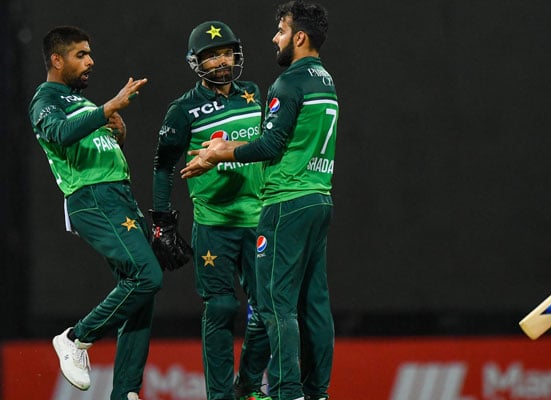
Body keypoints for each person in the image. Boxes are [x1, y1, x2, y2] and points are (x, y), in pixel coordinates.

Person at [181, 2, 337, 399]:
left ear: (299, 37)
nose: (275, 38)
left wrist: (218, 153)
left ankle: (287, 393)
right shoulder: (326, 81)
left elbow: (269, 145)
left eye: (281, 31)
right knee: (314, 304)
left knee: (274, 306)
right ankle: (316, 392)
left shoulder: (287, 84)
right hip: (320, 198)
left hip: (286, 203)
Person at [28, 26, 159, 400]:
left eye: (89, 53)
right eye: (81, 54)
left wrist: (117, 133)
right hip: (93, 198)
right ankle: (75, 337)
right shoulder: (46, 98)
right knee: (147, 276)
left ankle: (127, 393)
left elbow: (93, 142)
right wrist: (106, 109)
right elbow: (57, 133)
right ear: (56, 59)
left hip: (118, 197)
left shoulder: (79, 102)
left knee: (140, 290)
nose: (91, 61)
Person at [151, 21, 271, 400]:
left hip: (257, 217)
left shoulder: (253, 93)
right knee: (220, 306)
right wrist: (162, 221)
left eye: (226, 52)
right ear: (195, 62)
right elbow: (163, 166)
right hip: (214, 224)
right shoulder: (183, 110)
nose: (221, 61)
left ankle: (248, 387)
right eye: (211, 55)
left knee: (269, 309)